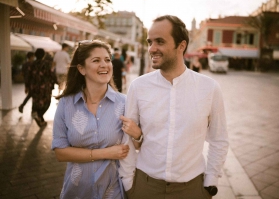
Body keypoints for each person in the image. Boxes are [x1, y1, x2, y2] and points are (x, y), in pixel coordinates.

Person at [119, 15, 229, 199]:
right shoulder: (138, 87)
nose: (152, 49)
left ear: (181, 46)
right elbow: (127, 139)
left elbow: (219, 139)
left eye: (160, 41)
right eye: (150, 42)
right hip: (145, 187)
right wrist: (129, 184)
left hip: (192, 189)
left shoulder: (209, 88)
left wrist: (210, 183)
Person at [52, 40, 139, 199]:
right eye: (96, 60)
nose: (104, 65)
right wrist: (106, 153)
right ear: (81, 69)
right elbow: (60, 152)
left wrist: (138, 134)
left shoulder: (125, 103)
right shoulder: (66, 104)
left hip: (113, 191)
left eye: (107, 60)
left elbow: (137, 145)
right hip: (76, 191)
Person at [27, 48, 56, 127]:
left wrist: (27, 86)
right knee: (47, 102)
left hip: (34, 86)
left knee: (37, 102)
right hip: (45, 87)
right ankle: (39, 116)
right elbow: (51, 74)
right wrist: (56, 81)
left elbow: (28, 76)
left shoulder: (32, 64)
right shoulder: (47, 63)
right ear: (44, 55)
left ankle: (39, 118)